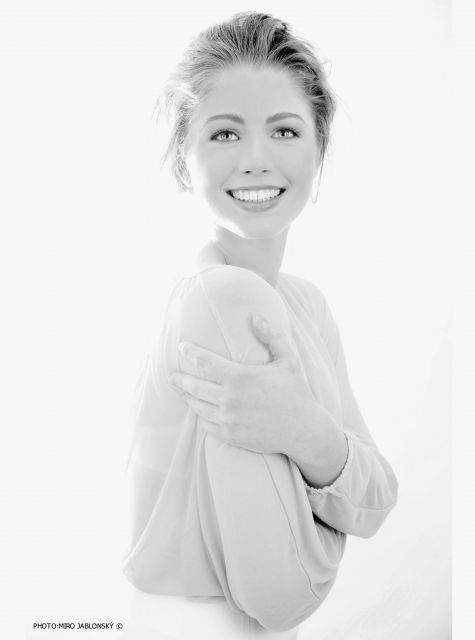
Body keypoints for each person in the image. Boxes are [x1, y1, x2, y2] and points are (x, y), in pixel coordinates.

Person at [121, 11, 399, 640]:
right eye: (224, 133)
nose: (255, 159)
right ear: (181, 160)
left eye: (284, 130)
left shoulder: (306, 305)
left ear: (318, 151)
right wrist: (330, 482)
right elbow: (283, 594)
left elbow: (379, 500)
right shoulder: (218, 299)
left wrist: (302, 429)